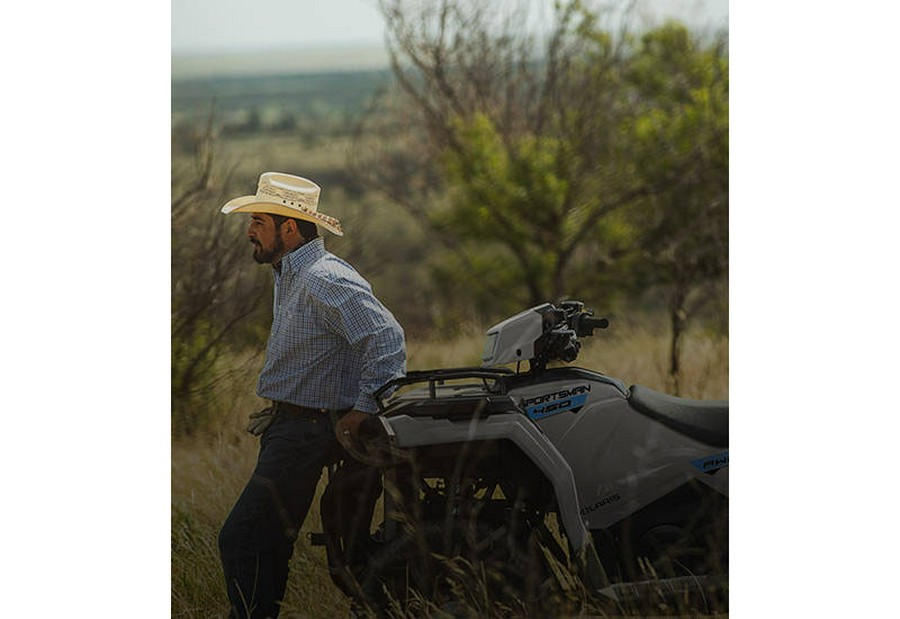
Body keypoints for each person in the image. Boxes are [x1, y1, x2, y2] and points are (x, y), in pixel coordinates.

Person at [217, 171, 406, 618]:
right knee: (268, 541)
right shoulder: (290, 273)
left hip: (309, 428)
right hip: (293, 425)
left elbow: (386, 340)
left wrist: (361, 411)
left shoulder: (322, 278)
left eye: (259, 222)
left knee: (240, 537)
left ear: (289, 228)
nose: (249, 233)